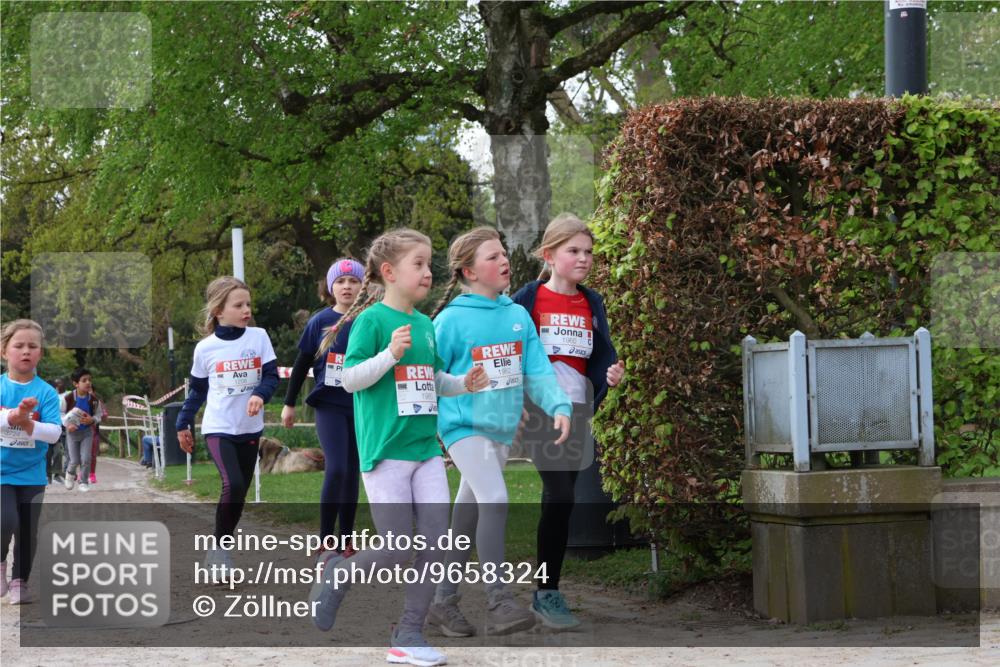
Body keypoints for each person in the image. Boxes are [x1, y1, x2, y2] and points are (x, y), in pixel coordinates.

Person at [307, 228, 488, 667]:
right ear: (389, 272)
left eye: (429, 264)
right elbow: (349, 380)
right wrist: (389, 353)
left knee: (433, 545)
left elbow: (432, 379)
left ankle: (408, 633)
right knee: (396, 547)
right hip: (384, 454)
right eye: (419, 264)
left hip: (426, 450)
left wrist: (463, 384)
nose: (429, 272)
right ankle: (339, 573)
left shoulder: (425, 325)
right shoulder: (370, 322)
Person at [426, 226, 572, 637]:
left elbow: (537, 371)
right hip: (462, 427)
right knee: (495, 499)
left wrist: (559, 405)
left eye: (503, 253)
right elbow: (428, 373)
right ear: (469, 272)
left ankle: (443, 602)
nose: (504, 260)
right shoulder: (451, 320)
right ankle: (499, 601)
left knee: (467, 515)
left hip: (502, 430)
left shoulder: (517, 315)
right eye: (492, 256)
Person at [511, 212, 626, 630]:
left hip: (579, 409)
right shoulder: (528, 298)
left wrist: (612, 373)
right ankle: (546, 593)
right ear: (549, 255)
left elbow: (600, 354)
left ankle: (546, 588)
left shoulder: (591, 302)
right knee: (559, 494)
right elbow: (511, 351)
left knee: (564, 500)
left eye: (588, 252)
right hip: (542, 410)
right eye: (573, 251)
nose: (584, 259)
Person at [175, 276, 279, 578]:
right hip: (219, 427)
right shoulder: (205, 349)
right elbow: (197, 392)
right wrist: (184, 423)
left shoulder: (258, 337)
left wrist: (260, 395)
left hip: (250, 428)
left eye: (248, 304)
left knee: (240, 492)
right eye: (238, 305)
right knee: (231, 484)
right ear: (219, 310)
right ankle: (221, 554)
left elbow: (271, 376)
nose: (246, 309)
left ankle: (218, 547)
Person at [281, 258, 364, 559]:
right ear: (331, 288)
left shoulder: (368, 319)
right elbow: (302, 363)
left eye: (353, 281)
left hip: (359, 405)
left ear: (362, 286)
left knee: (352, 471)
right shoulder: (320, 321)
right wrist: (289, 404)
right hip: (328, 403)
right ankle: (326, 537)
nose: (347, 286)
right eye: (340, 282)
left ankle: (347, 539)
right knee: (337, 467)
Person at [0, 319, 63, 604]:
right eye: (19, 345)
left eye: (33, 346)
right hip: (1, 471)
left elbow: (54, 433)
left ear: (40, 353)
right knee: (5, 520)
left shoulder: (46, 392)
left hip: (32, 473)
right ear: (4, 351)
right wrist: (12, 417)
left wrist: (29, 426)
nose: (26, 351)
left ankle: (19, 581)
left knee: (27, 529)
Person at [60, 367, 104, 492]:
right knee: (74, 460)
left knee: (86, 459)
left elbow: (99, 415)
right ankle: (70, 473)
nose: (88, 383)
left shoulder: (94, 400)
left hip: (87, 433)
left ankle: (83, 482)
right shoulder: (68, 399)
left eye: (89, 380)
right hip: (72, 433)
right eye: (84, 380)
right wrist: (67, 425)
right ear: (76, 384)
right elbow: (60, 414)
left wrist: (92, 420)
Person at [46, 378, 66, 485]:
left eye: (55, 388)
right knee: (47, 454)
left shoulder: (59, 400)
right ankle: (47, 475)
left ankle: (57, 475)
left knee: (59, 452)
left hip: (58, 429)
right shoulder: (42, 399)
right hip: (45, 431)